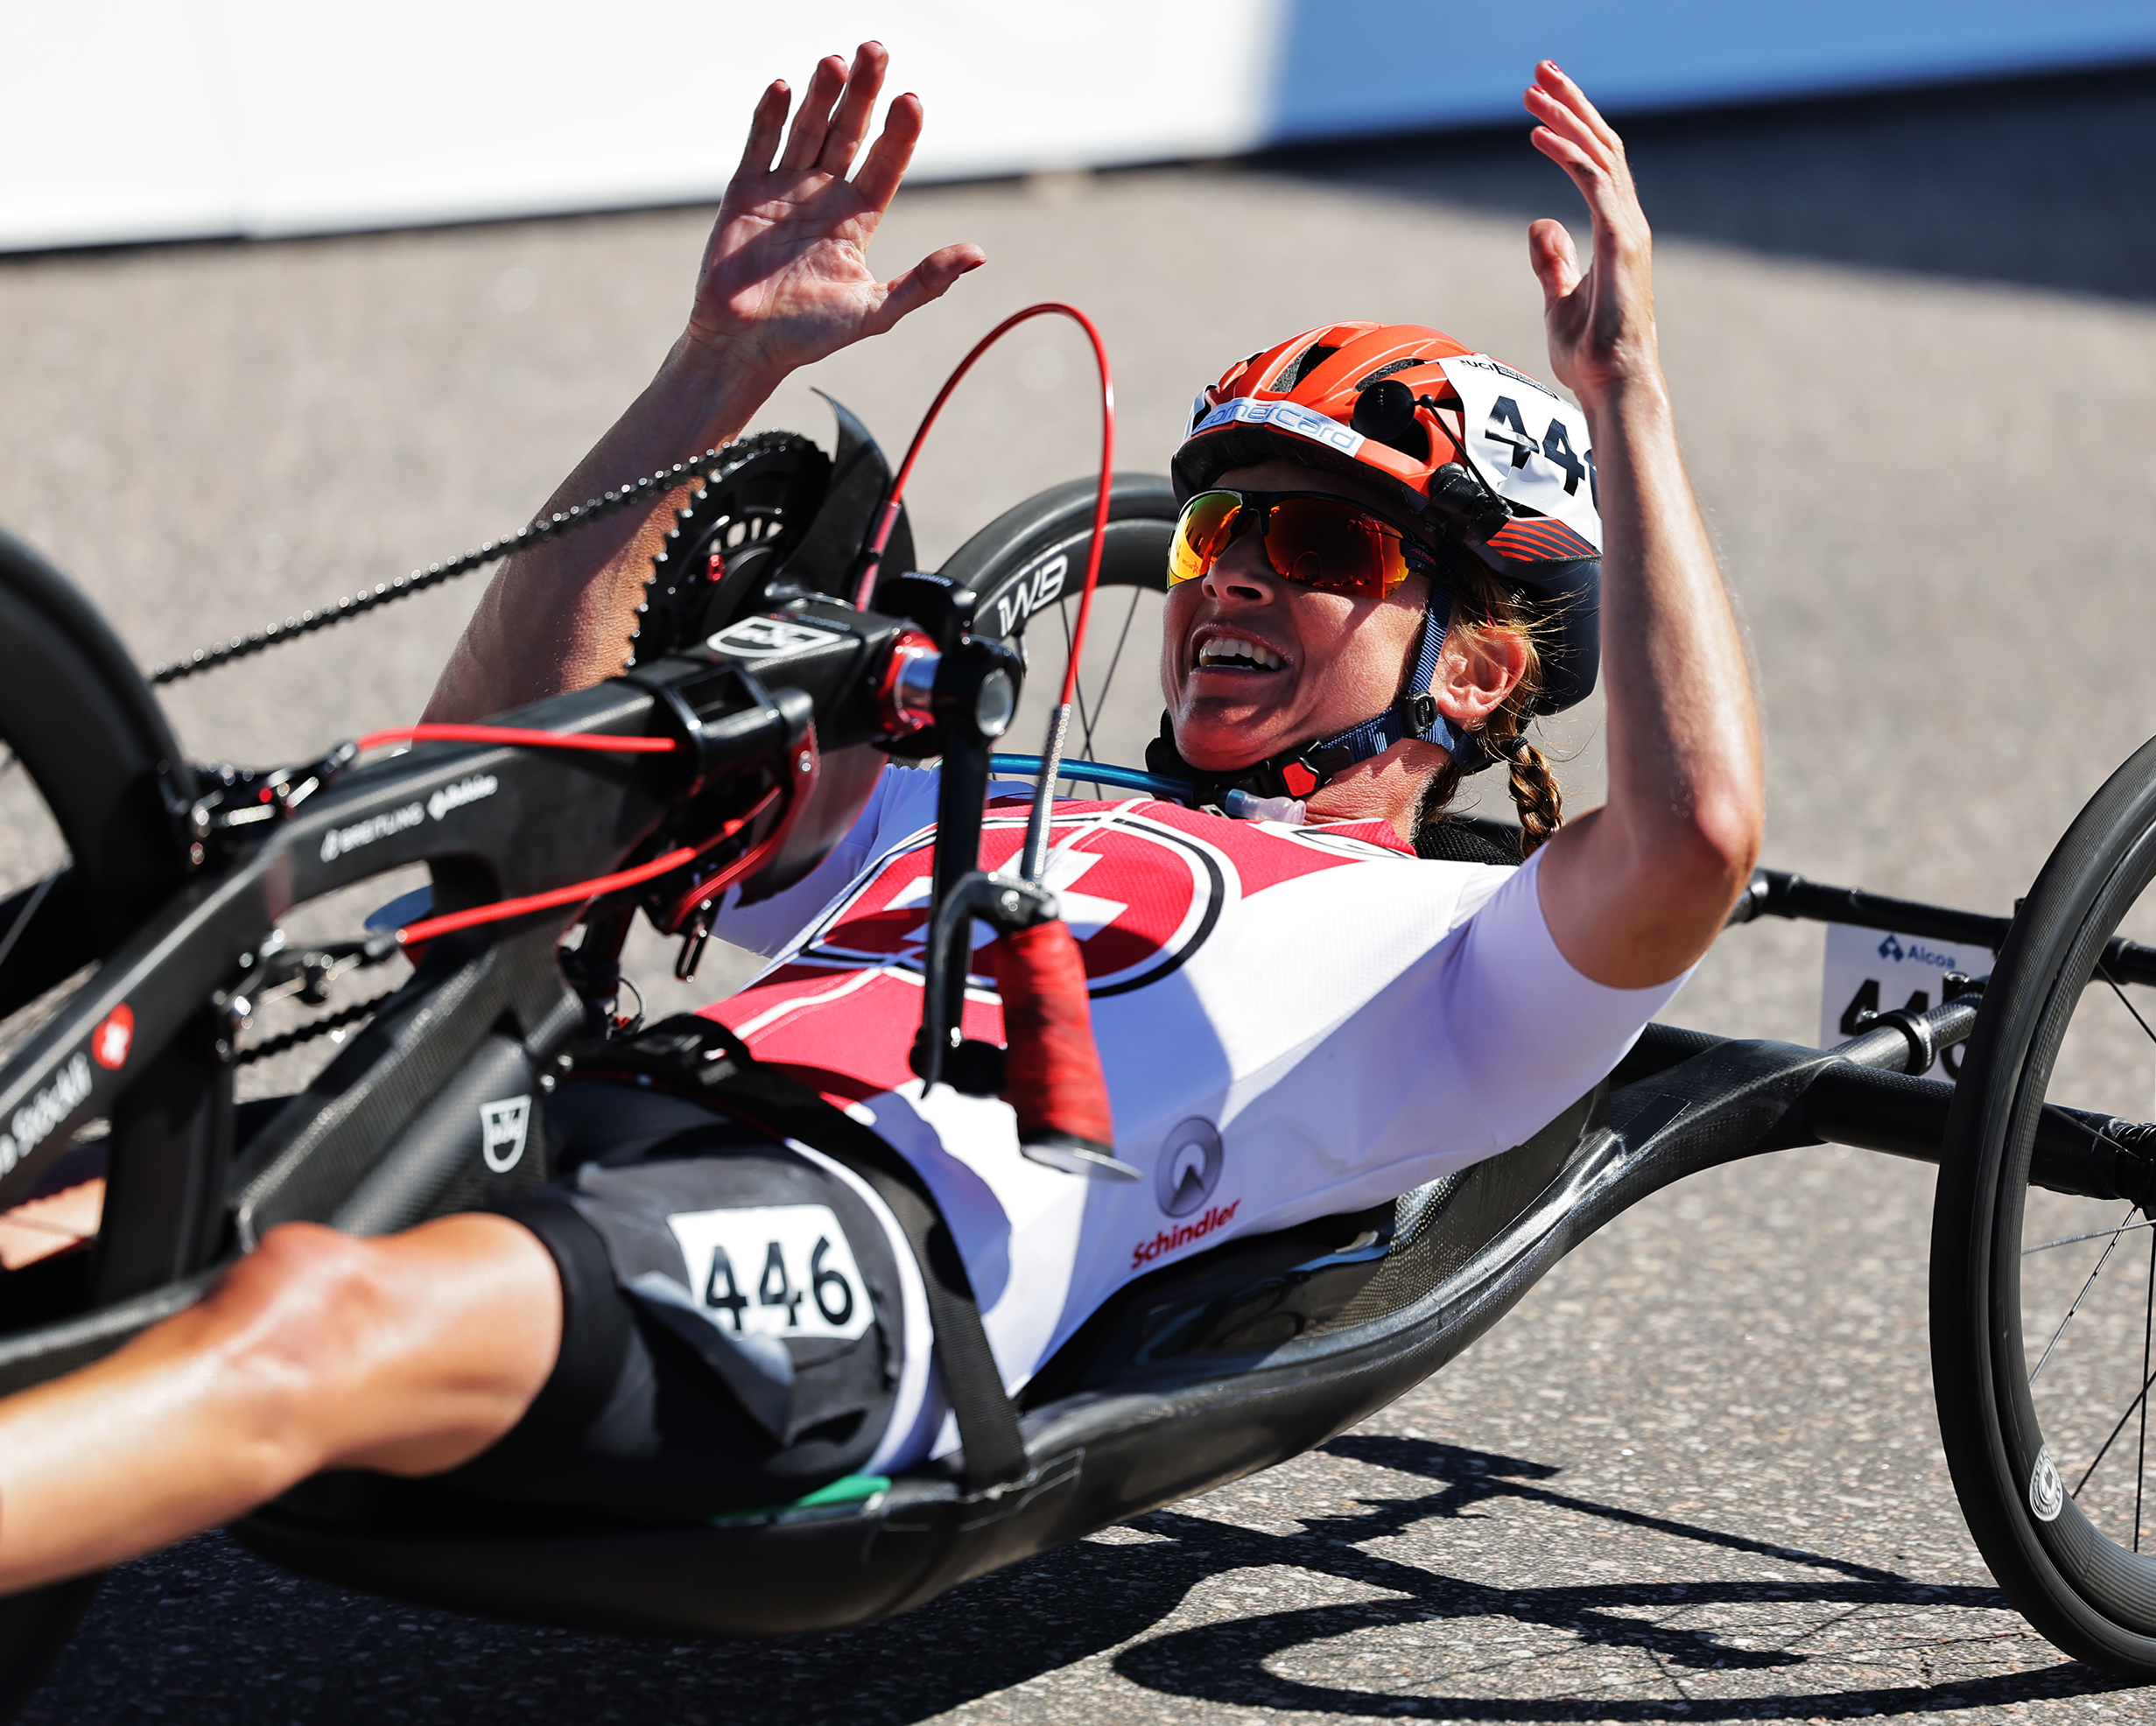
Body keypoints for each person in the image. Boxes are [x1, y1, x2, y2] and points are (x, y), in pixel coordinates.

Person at [0, 41, 1758, 1586]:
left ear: (1468, 675)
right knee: (83, 1204)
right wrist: (715, 367)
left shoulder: (1454, 960)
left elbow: (1692, 841)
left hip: (869, 1266)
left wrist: (1630, 406)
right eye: (1224, 533)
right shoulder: (976, 792)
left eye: (1317, 550)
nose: (1230, 577)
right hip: (618, 1114)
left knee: (314, 1315)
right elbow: (521, 749)